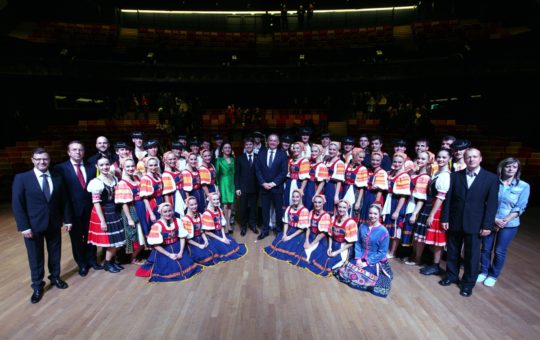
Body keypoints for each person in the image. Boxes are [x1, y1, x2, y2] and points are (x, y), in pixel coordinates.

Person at [12, 148, 72, 304]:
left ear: (49, 160)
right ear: (32, 160)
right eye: (38, 159)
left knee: (55, 253)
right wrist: (24, 227)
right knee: (35, 257)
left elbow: (64, 201)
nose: (42, 162)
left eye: (45, 159)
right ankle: (38, 286)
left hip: (53, 223)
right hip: (32, 226)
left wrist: (68, 220)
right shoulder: (22, 178)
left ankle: (55, 277)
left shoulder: (57, 177)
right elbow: (18, 205)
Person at [439, 148, 499, 297]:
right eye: (468, 157)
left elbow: (492, 205)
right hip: (455, 220)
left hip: (475, 223)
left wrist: (487, 225)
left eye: (474, 157)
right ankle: (451, 275)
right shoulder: (455, 176)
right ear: (464, 160)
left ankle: (467, 283)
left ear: (480, 158)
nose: (471, 159)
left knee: (472, 255)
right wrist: (445, 218)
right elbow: (448, 199)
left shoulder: (491, 179)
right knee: (452, 251)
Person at [479, 158, 530, 287]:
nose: (511, 169)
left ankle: (493, 275)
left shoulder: (523, 186)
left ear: (517, 169)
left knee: (499, 251)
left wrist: (504, 220)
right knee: (485, 248)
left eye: (514, 167)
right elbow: (485, 202)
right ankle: (484, 271)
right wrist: (494, 219)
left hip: (509, 224)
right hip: (490, 221)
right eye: (508, 166)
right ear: (502, 167)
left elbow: (520, 207)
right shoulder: (493, 182)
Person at [54, 141, 101, 276]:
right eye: (74, 150)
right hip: (72, 212)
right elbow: (60, 194)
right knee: (76, 240)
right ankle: (82, 264)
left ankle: (92, 260)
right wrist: (64, 216)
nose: (78, 152)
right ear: (68, 152)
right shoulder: (60, 168)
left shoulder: (92, 167)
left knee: (91, 237)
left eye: (80, 150)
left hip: (91, 210)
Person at [334, 204, 393, 298]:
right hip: (361, 257)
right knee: (348, 268)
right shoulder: (362, 226)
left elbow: (382, 252)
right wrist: (358, 259)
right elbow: (358, 243)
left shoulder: (383, 231)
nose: (372, 216)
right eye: (370, 213)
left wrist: (367, 263)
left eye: (375, 214)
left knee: (364, 274)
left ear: (379, 215)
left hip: (374, 260)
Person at [135, 203, 204, 282]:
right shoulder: (157, 226)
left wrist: (181, 252)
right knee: (172, 267)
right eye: (165, 212)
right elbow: (155, 245)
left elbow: (182, 237)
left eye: (169, 211)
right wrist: (169, 255)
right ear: (160, 212)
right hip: (164, 250)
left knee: (186, 263)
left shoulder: (177, 221)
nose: (168, 213)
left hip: (177, 246)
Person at [414, 149, 451, 275]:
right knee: (431, 238)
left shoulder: (445, 176)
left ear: (449, 159)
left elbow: (441, 197)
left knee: (437, 240)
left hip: (437, 209)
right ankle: (432, 263)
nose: (440, 159)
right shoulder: (437, 173)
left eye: (444, 157)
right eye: (439, 157)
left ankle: (436, 265)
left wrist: (432, 214)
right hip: (431, 206)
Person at [87, 156, 126, 273]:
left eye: (106, 164)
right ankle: (108, 263)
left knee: (117, 239)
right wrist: (102, 221)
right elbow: (96, 203)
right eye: (102, 165)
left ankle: (111, 261)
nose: (105, 167)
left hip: (114, 210)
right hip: (103, 212)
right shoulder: (96, 182)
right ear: (97, 167)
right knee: (112, 241)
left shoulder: (114, 178)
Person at [311, 200, 357, 276]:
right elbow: (330, 235)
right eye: (339, 207)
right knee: (318, 256)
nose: (341, 209)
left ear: (348, 208)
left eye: (344, 207)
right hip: (333, 244)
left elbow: (351, 243)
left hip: (343, 247)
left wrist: (337, 252)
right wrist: (329, 247)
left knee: (330, 263)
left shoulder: (351, 223)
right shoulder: (333, 218)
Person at [255, 133, 288, 240]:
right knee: (265, 209)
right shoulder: (261, 153)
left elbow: (283, 172)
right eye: (271, 140)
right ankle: (265, 230)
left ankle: (278, 229)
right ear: (268, 142)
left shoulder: (282, 154)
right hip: (264, 187)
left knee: (278, 210)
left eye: (275, 140)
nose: (272, 142)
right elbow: (257, 170)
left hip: (277, 188)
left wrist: (273, 183)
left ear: (278, 143)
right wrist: (263, 183)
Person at [264, 189, 309, 265]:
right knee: (279, 242)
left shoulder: (304, 211)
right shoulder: (289, 208)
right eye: (293, 197)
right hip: (289, 230)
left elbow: (302, 229)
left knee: (289, 245)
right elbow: (286, 223)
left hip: (298, 233)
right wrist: (285, 234)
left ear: (301, 197)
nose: (295, 199)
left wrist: (290, 237)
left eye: (297, 197)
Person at [115, 158, 146, 264]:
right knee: (137, 236)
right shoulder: (122, 183)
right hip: (132, 209)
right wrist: (129, 219)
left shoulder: (137, 177)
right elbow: (124, 203)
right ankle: (133, 258)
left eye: (132, 166)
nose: (130, 168)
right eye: (127, 166)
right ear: (123, 167)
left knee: (143, 234)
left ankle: (138, 255)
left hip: (141, 208)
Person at [402, 151, 431, 264]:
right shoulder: (415, 174)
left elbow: (421, 198)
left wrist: (414, 213)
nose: (420, 161)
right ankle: (413, 255)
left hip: (417, 207)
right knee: (413, 234)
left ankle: (417, 258)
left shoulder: (425, 177)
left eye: (423, 159)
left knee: (417, 234)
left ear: (428, 161)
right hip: (409, 203)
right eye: (418, 158)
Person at [201, 192, 248, 261]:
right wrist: (221, 239)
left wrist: (224, 237)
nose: (216, 201)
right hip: (212, 236)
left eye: (217, 199)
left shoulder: (219, 210)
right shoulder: (207, 214)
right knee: (225, 249)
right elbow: (207, 232)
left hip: (219, 233)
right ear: (210, 201)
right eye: (214, 200)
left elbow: (221, 226)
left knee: (231, 244)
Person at [382, 152, 411, 258]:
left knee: (396, 228)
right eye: (395, 161)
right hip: (390, 200)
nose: (397, 164)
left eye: (400, 162)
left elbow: (403, 196)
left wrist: (397, 211)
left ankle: (392, 252)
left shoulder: (404, 176)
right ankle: (387, 249)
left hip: (397, 202)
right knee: (389, 227)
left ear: (403, 163)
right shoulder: (392, 173)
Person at [182, 196, 221, 266]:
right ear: (187, 205)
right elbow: (187, 239)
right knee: (205, 256)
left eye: (195, 204)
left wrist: (206, 240)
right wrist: (199, 245)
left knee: (215, 251)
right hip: (193, 242)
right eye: (191, 205)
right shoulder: (185, 219)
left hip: (201, 238)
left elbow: (201, 231)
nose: (194, 206)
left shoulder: (199, 215)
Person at [235, 137, 259, 236]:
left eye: (250, 144)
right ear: (244, 146)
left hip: (255, 188)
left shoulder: (258, 157)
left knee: (254, 208)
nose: (248, 146)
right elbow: (237, 174)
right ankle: (243, 226)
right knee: (243, 209)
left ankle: (253, 225)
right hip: (243, 188)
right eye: (247, 145)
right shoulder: (240, 158)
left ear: (253, 145)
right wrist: (237, 188)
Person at [302, 195, 332, 275]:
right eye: (315, 202)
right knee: (300, 249)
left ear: (323, 203)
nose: (317, 204)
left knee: (311, 254)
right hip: (311, 235)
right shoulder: (311, 212)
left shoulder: (326, 216)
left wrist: (311, 244)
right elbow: (308, 227)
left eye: (319, 202)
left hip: (320, 239)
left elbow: (322, 234)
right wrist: (307, 240)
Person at [139, 157, 164, 236]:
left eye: (155, 165)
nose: (153, 167)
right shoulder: (145, 179)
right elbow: (145, 198)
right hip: (152, 204)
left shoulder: (157, 176)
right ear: (147, 166)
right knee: (155, 225)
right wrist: (151, 213)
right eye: (151, 165)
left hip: (160, 201)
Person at [341, 148, 368, 219]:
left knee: (351, 213)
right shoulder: (346, 165)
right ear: (354, 156)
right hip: (345, 190)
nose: (362, 159)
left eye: (363, 157)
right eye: (360, 157)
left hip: (355, 192)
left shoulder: (362, 169)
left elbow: (362, 187)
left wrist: (358, 201)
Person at [216, 143, 236, 234]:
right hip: (223, 183)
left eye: (229, 147)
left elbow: (235, 173)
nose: (227, 149)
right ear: (222, 150)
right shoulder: (218, 160)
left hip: (232, 183)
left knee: (231, 205)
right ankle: (226, 225)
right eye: (225, 148)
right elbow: (216, 174)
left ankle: (228, 223)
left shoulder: (233, 159)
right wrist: (217, 187)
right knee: (224, 205)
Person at [284, 142, 310, 208]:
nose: (295, 150)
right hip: (290, 182)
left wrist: (301, 189)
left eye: (297, 148)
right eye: (294, 148)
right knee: (289, 200)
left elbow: (305, 178)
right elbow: (288, 173)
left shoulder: (304, 161)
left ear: (302, 149)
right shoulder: (291, 160)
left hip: (298, 183)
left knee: (298, 201)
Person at [161, 151, 186, 217]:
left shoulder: (177, 170)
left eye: (174, 159)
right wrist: (168, 206)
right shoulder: (166, 175)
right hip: (174, 197)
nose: (173, 161)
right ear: (165, 161)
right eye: (170, 159)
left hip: (182, 194)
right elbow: (166, 193)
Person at [323, 142, 345, 215]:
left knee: (332, 208)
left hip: (333, 188)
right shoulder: (326, 161)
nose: (331, 151)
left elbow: (339, 181)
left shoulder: (340, 163)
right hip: (326, 187)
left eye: (334, 150)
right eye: (330, 149)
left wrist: (336, 195)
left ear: (337, 151)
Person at [304, 144, 327, 210]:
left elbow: (322, 182)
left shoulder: (321, 166)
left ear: (320, 152)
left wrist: (316, 194)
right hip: (308, 187)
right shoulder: (310, 163)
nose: (313, 153)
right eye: (312, 151)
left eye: (315, 151)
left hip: (314, 188)